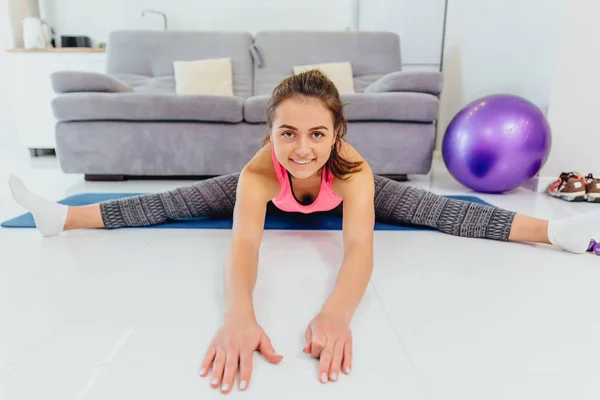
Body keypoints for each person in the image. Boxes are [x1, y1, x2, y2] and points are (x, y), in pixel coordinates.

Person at [8, 70, 599, 394]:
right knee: (180, 202)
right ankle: (63, 217)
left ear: (338, 133)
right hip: (274, 196)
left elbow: (360, 249)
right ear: (271, 132)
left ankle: (554, 231)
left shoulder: (355, 169)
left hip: (340, 197)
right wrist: (239, 315)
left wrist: (337, 312)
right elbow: (243, 246)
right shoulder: (261, 172)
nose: (302, 147)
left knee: (436, 208)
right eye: (287, 133)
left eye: (317, 134)